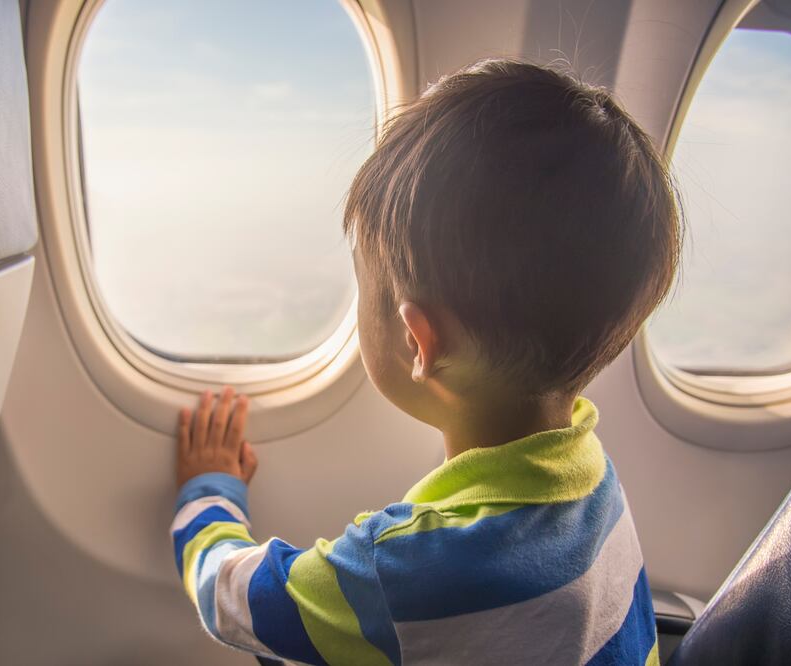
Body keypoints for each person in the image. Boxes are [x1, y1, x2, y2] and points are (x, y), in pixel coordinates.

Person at [170, 58, 681, 665]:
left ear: (418, 342)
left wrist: (208, 489)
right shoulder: (595, 481)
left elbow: (229, 598)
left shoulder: (399, 570)